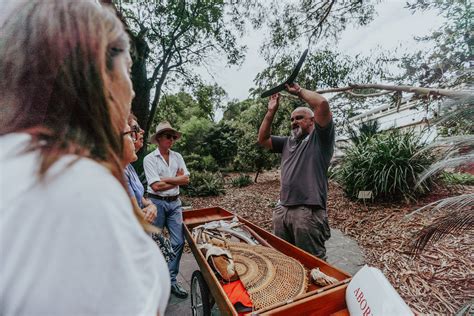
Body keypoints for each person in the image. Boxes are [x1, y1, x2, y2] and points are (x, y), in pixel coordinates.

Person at [0, 1, 169, 315]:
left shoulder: (16, 159)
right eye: (128, 70)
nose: (131, 92)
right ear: (99, 73)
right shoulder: (74, 186)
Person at [257, 83, 335, 260]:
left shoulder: (320, 139)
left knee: (312, 262)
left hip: (307, 213)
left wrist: (299, 91)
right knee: (284, 260)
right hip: (283, 209)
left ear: (312, 121)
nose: (294, 123)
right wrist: (271, 112)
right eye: (292, 119)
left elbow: (322, 104)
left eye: (299, 118)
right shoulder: (287, 142)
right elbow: (262, 139)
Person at [144, 121, 190, 299]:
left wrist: (167, 179)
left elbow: (186, 180)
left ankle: (170, 280)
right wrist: (176, 179)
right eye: (168, 136)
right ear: (158, 139)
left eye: (173, 136)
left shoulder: (177, 156)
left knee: (178, 242)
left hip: (175, 203)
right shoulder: (149, 159)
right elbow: (155, 186)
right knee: (154, 243)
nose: (172, 139)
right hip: (156, 203)